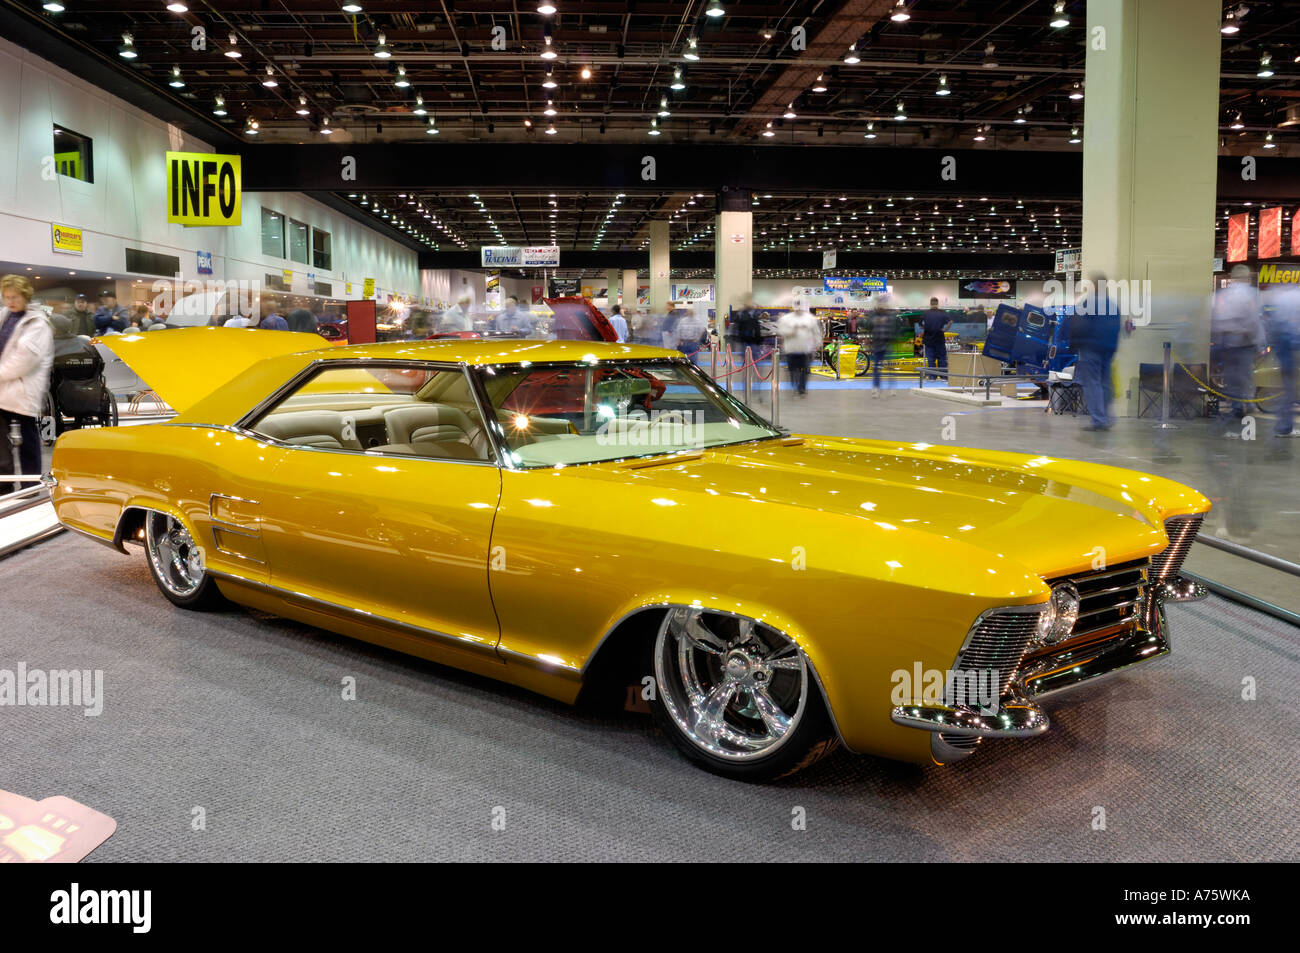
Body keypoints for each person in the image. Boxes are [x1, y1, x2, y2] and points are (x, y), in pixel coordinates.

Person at [0, 275, 55, 493]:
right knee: (1, 445)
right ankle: (5, 487)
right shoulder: (5, 316)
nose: (10, 301)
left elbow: (23, 361)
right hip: (3, 389)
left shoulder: (38, 324)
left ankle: (30, 488)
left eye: (15, 297)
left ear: (25, 296)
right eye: (6, 297)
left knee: (28, 443)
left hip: (23, 391)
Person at [1211, 265, 1264, 428]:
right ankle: (1245, 404)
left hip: (1226, 342)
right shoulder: (1253, 295)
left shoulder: (1222, 295)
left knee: (1231, 377)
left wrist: (1218, 340)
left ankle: (1236, 406)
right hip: (1246, 342)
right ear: (1247, 277)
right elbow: (1255, 320)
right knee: (1245, 375)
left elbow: (1215, 320)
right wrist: (1260, 342)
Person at [1070, 273, 1122, 431]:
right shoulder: (1113, 304)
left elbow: (1079, 326)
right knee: (1105, 384)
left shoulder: (1088, 302)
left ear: (1093, 285)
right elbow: (1117, 328)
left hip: (1090, 349)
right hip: (1108, 350)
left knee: (1092, 385)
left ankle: (1099, 421)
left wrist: (1073, 345)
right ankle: (1107, 417)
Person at [1263, 281, 1300, 438]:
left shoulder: (1278, 297)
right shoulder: (1296, 297)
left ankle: (1284, 425)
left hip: (1284, 350)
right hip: (1293, 348)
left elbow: (1271, 325)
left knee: (1287, 387)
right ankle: (1285, 426)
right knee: (1289, 388)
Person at [777, 299, 821, 397]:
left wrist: (818, 344)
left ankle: (802, 388)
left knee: (805, 370)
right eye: (797, 305)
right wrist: (791, 332)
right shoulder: (786, 319)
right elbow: (781, 330)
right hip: (791, 350)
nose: (799, 308)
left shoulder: (810, 318)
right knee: (792, 370)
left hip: (805, 350)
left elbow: (816, 332)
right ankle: (795, 384)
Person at [869, 298, 894, 392]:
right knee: (876, 367)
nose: (881, 305)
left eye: (883, 304)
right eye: (880, 304)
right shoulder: (873, 315)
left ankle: (891, 387)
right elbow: (866, 324)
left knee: (890, 367)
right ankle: (876, 386)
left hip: (888, 343)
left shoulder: (889, 315)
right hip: (877, 344)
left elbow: (895, 326)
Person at [920, 297, 951, 373]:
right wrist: (945, 329)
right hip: (939, 338)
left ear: (930, 303)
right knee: (942, 358)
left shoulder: (926, 313)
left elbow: (920, 324)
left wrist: (925, 327)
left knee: (931, 359)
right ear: (937, 303)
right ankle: (943, 376)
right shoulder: (942, 312)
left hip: (928, 339)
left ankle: (932, 377)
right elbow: (950, 322)